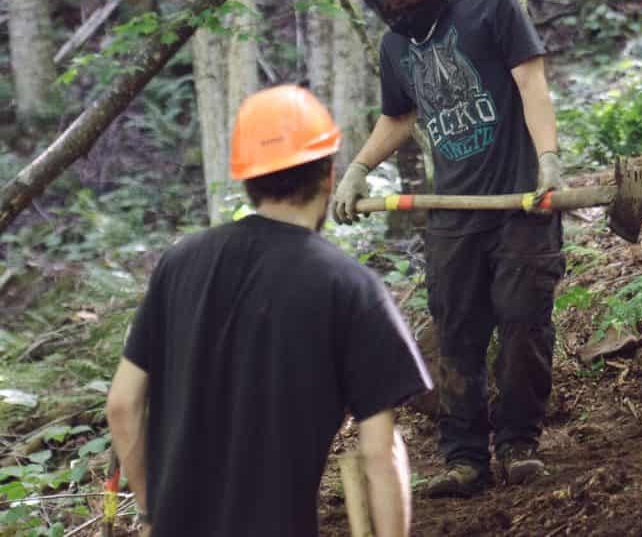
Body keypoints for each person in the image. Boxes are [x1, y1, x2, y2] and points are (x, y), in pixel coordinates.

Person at [106, 84, 432, 536]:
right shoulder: (350, 286)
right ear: (329, 175)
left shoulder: (180, 262)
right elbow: (379, 452)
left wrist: (151, 513)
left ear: (247, 178)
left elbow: (122, 406)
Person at [334, 0, 566, 499]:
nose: (390, 1)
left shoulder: (491, 8)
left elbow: (531, 80)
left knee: (522, 325)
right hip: (454, 214)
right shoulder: (395, 45)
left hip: (519, 202)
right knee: (457, 334)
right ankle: (465, 459)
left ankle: (518, 445)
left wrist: (548, 160)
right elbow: (399, 117)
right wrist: (359, 168)